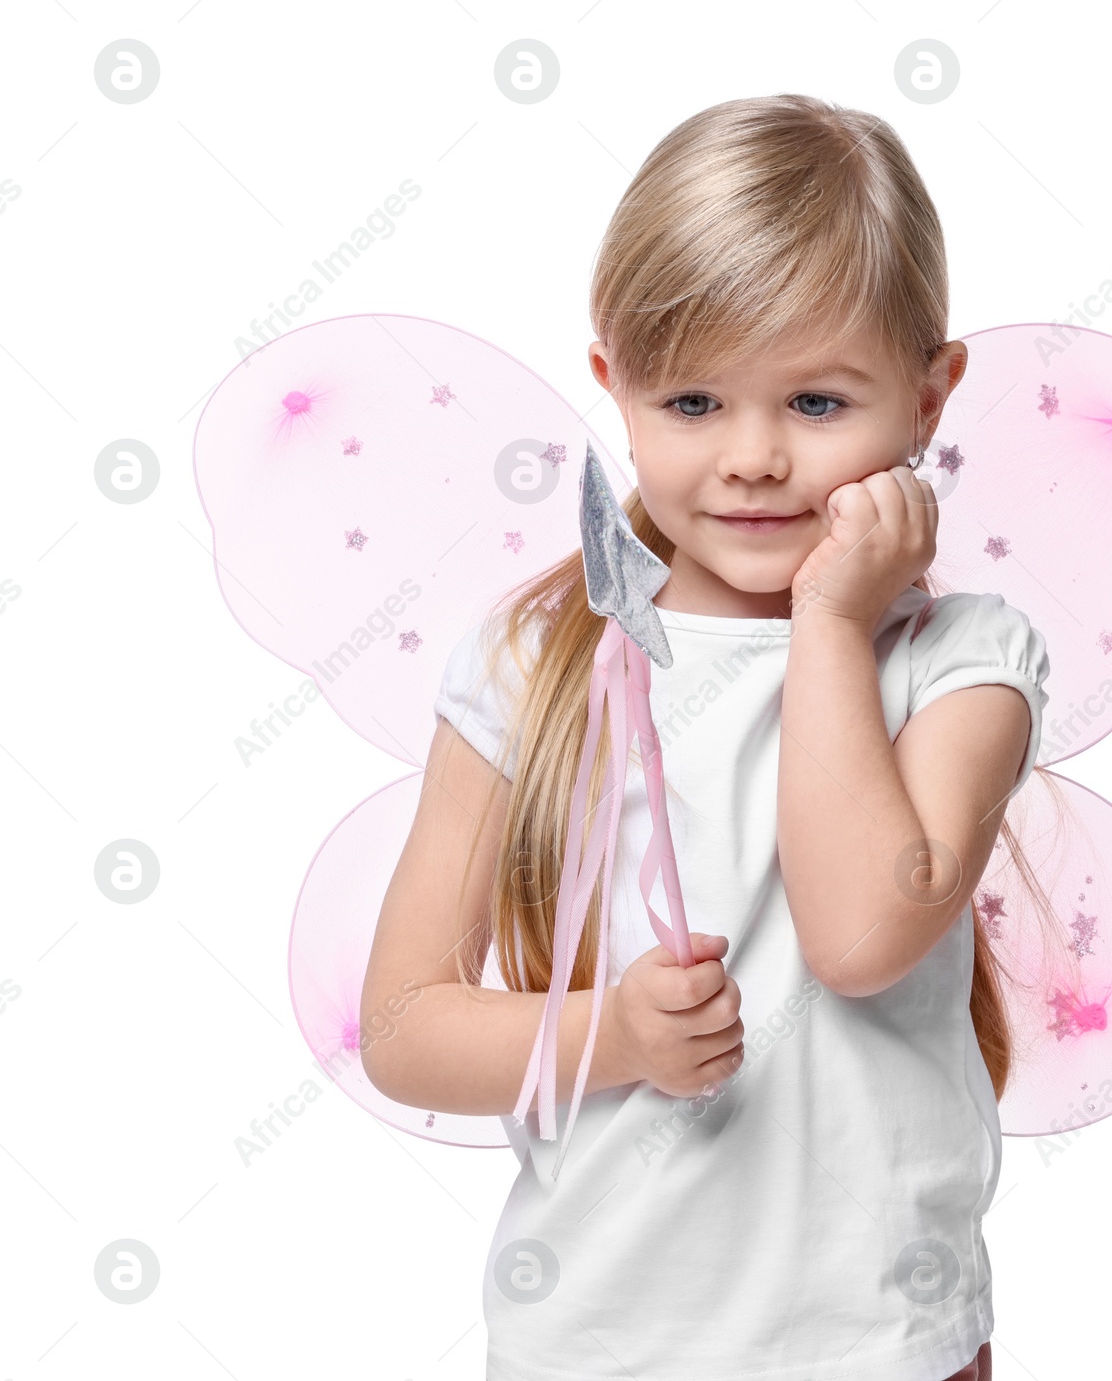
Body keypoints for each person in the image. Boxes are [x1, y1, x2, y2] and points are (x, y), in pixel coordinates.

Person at [360, 93, 1047, 1381]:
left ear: (932, 391)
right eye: (691, 401)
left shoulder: (961, 662)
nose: (752, 459)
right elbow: (402, 1027)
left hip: (883, 1345)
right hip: (601, 1346)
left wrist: (833, 623)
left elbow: (855, 937)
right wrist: (611, 1039)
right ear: (614, 383)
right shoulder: (536, 667)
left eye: (819, 403)